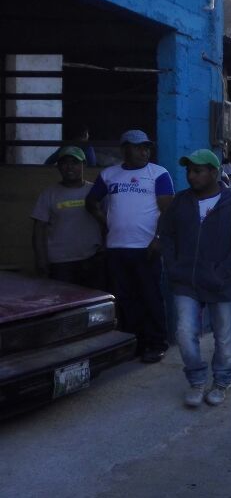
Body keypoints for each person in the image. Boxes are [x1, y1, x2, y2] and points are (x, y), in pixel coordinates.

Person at [160, 149, 231, 408]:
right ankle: (197, 381)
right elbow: (166, 235)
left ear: (213, 172)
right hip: (185, 281)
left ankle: (221, 382)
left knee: (223, 337)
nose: (191, 176)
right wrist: (173, 266)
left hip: (220, 283)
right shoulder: (180, 201)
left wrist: (221, 272)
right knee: (185, 333)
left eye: (198, 171)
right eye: (189, 171)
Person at [86, 129, 174, 363]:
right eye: (138, 147)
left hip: (146, 249)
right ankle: (135, 343)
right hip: (116, 249)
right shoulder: (109, 175)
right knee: (125, 299)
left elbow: (168, 211)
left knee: (151, 297)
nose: (145, 151)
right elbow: (91, 202)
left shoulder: (158, 174)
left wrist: (158, 239)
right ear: (124, 149)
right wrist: (109, 223)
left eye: (147, 147)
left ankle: (156, 343)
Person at [31, 146, 106, 289]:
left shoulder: (95, 192)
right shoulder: (49, 194)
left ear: (84, 165)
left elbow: (108, 223)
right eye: (64, 163)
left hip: (92, 259)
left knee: (92, 305)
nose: (69, 167)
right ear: (58, 166)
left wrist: (105, 251)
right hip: (60, 263)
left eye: (75, 162)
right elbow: (39, 229)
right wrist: (41, 259)